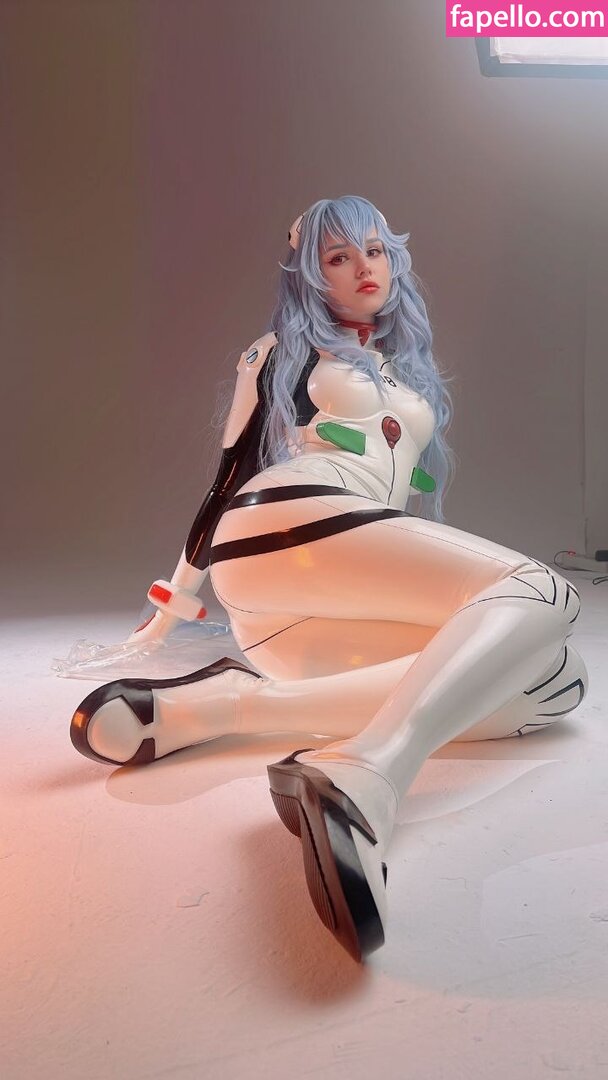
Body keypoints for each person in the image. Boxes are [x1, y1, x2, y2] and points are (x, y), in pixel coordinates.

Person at [70, 196, 588, 962]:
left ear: (394, 260)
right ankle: (369, 771)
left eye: (374, 251)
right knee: (545, 594)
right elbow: (228, 477)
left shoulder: (407, 374)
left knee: (552, 681)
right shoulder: (281, 349)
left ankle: (224, 705)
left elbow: (394, 523)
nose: (362, 268)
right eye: (338, 256)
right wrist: (172, 606)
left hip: (316, 606)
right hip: (283, 528)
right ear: (309, 274)